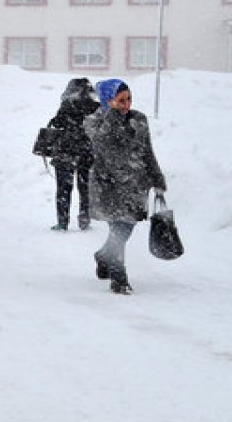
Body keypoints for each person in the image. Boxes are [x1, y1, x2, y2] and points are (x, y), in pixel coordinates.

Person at [84, 79, 167, 296]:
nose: (126, 104)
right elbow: (103, 143)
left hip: (135, 184)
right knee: (118, 229)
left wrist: (157, 178)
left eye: (128, 99)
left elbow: (147, 151)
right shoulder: (94, 121)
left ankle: (104, 255)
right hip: (108, 185)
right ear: (107, 100)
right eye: (120, 100)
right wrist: (112, 115)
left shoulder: (138, 119)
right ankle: (119, 279)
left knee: (125, 228)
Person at [45, 78, 100, 231]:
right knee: (85, 188)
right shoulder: (95, 107)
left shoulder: (67, 105)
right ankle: (84, 219)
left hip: (65, 153)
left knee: (63, 189)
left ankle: (63, 222)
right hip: (86, 153)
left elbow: (57, 124)